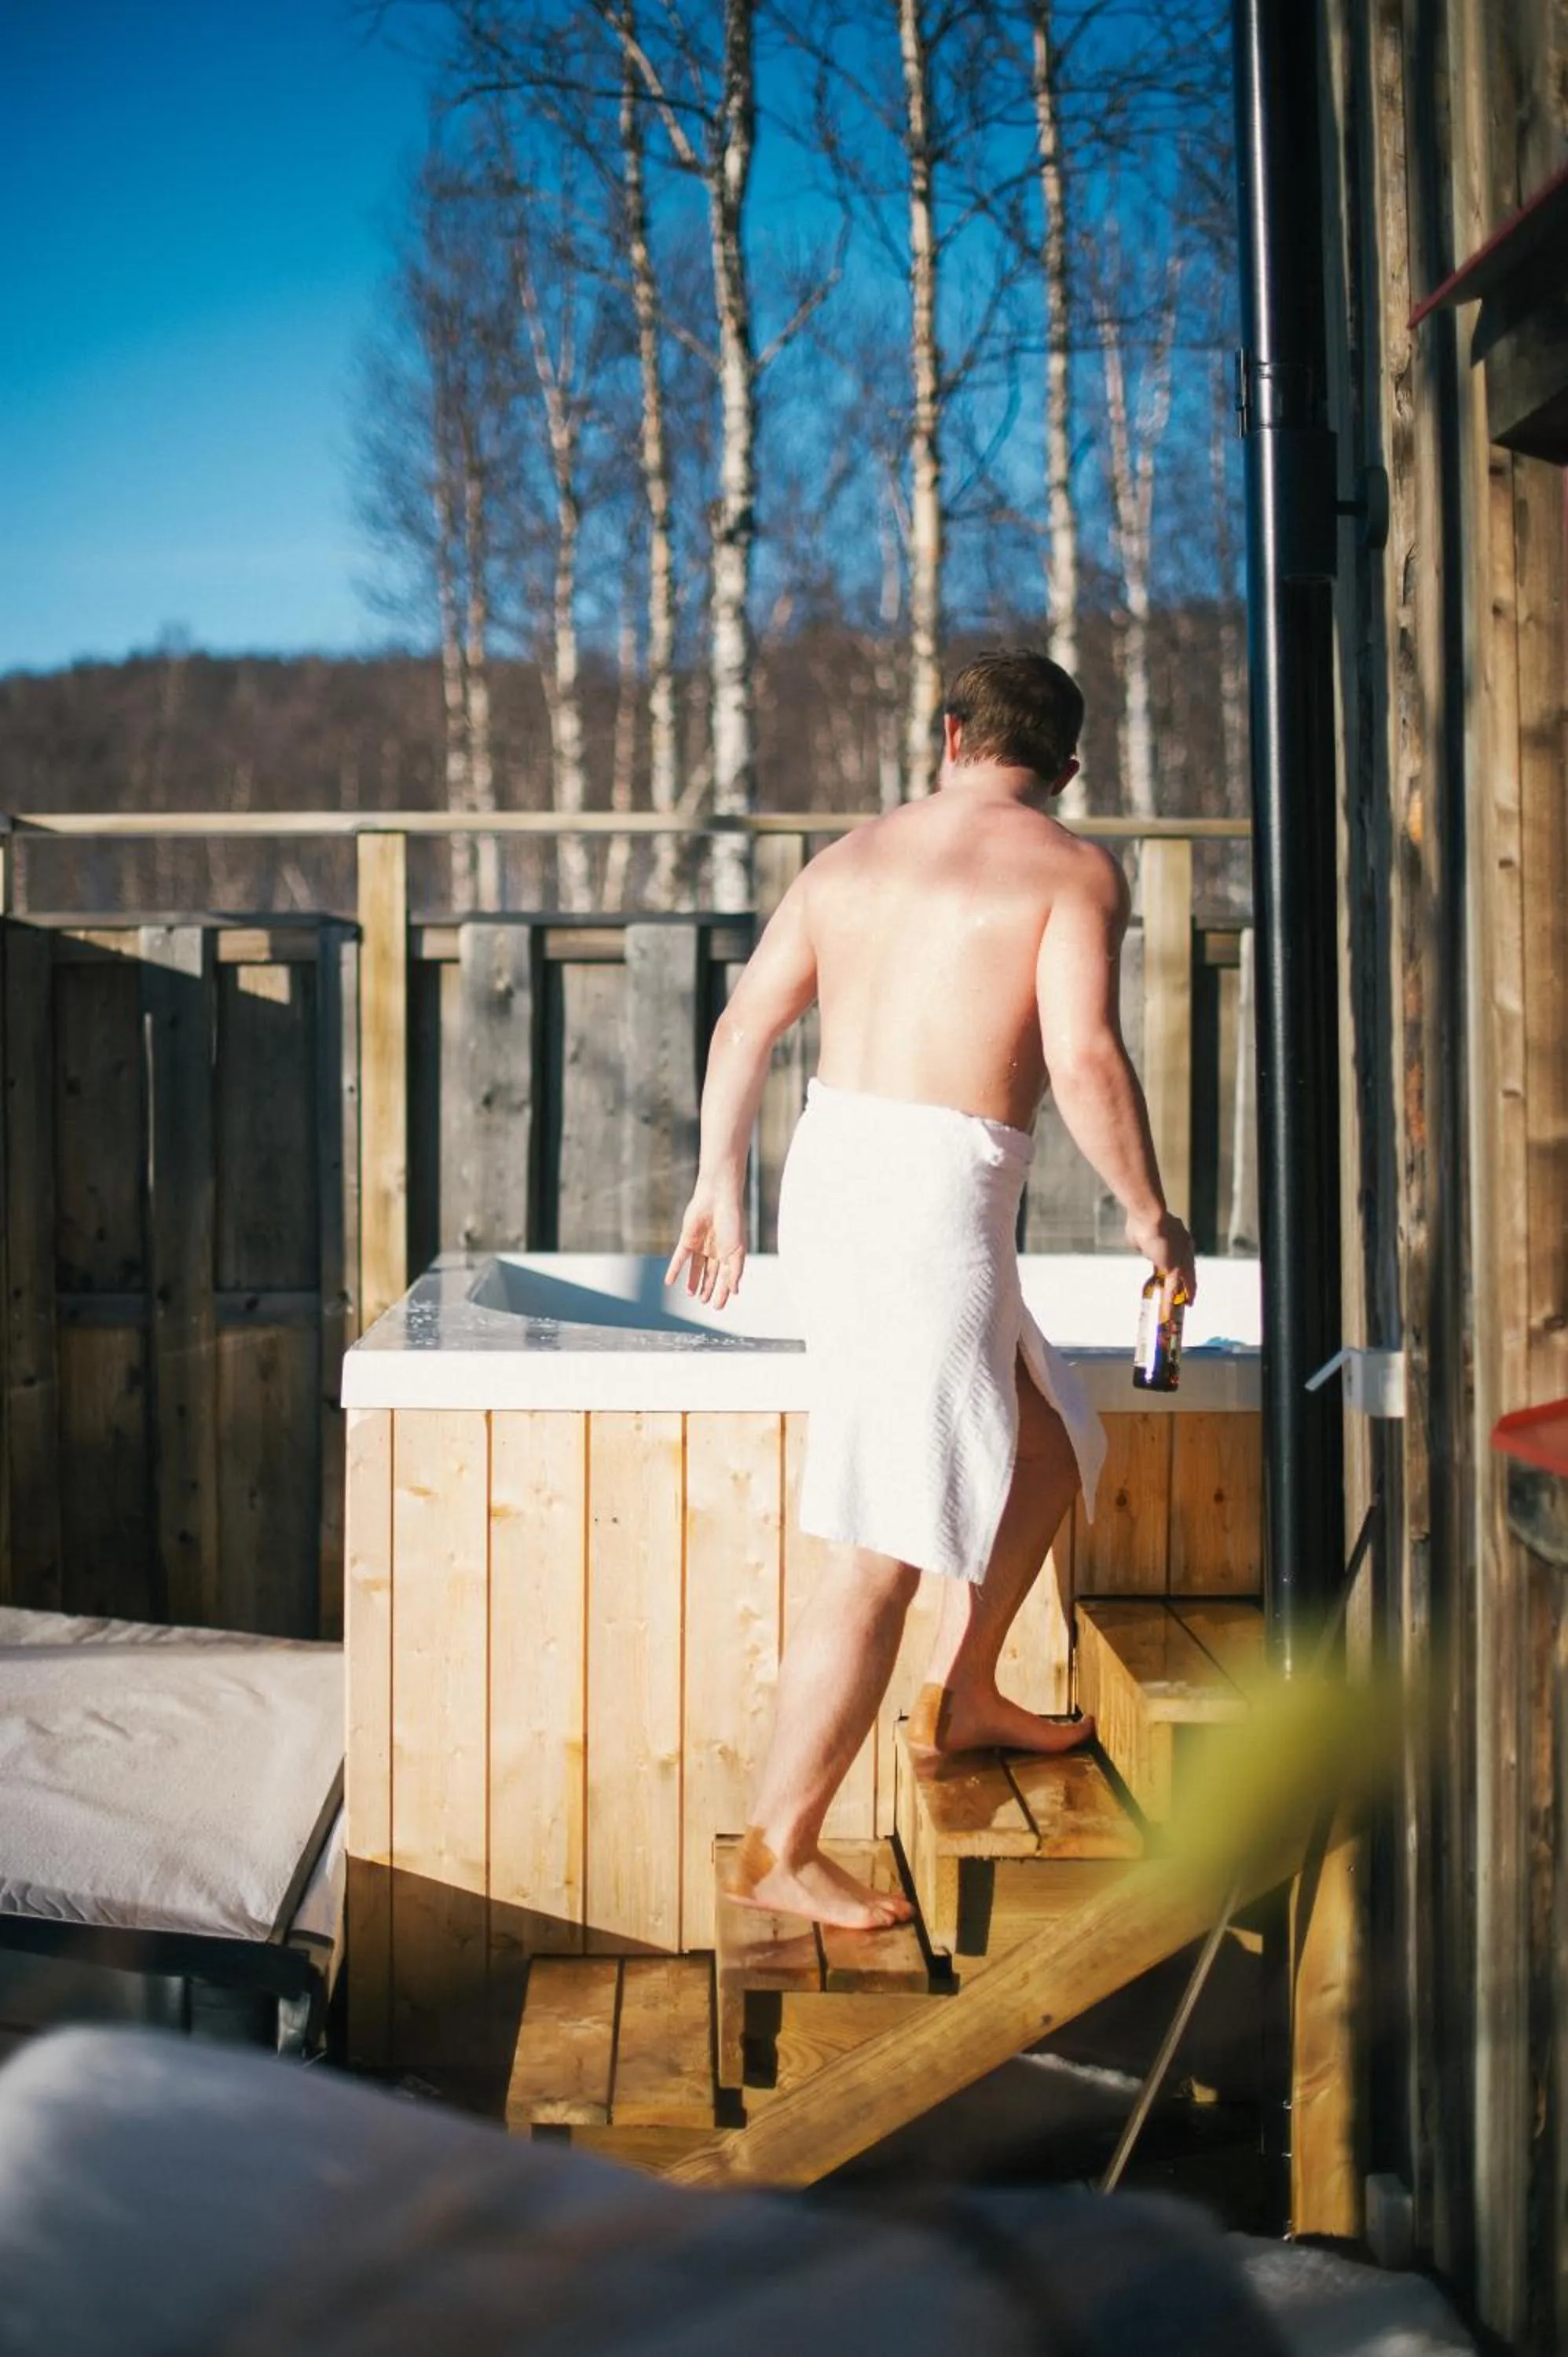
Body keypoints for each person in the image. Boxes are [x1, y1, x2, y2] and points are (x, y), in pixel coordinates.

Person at [666, 647, 1196, 1932]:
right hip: (930, 1203)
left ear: (949, 735)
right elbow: (1080, 1052)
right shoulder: (1072, 868)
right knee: (880, 1557)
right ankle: (782, 1847)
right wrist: (1149, 1216)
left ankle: (964, 1696)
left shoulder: (849, 858)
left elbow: (743, 1029)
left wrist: (718, 1185)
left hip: (844, 1173)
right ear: (1066, 769)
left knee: (1055, 1435)